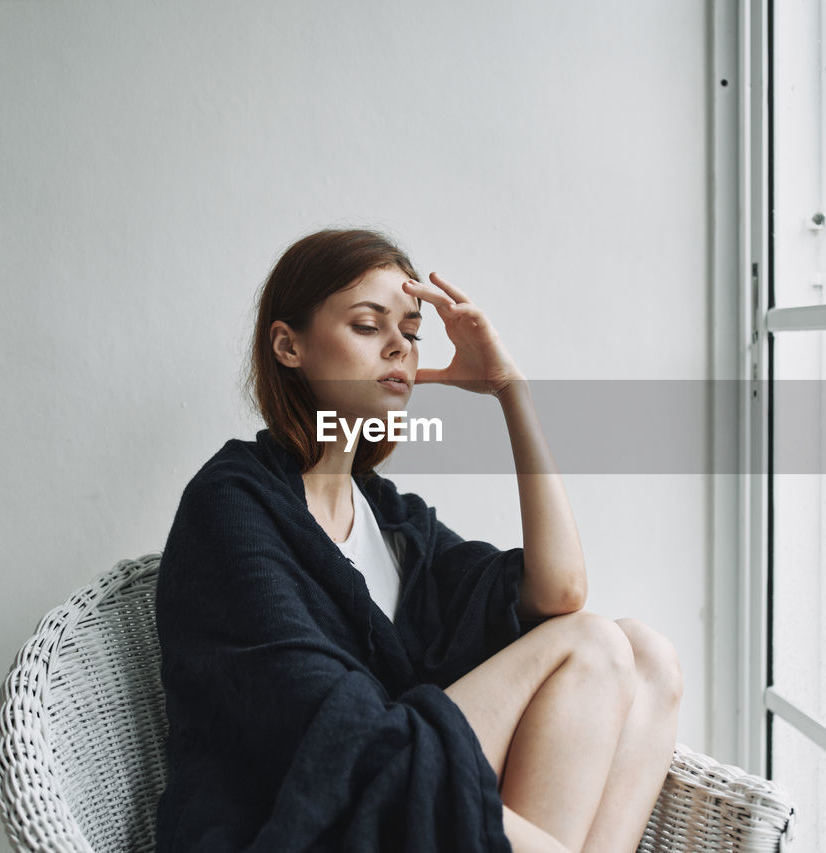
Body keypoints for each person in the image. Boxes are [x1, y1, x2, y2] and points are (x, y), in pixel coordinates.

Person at [154, 228, 683, 853]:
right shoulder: (233, 504)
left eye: (410, 331)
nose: (398, 349)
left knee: (647, 655)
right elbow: (330, 740)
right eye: (367, 325)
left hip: (396, 784)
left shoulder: (389, 518)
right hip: (305, 816)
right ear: (288, 345)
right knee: (591, 642)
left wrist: (512, 393)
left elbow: (559, 590)